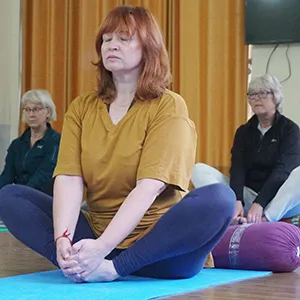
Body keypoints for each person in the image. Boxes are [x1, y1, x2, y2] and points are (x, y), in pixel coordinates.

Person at [0, 6, 235, 283]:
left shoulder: (169, 105)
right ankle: (79, 262)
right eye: (107, 39)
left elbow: (149, 187)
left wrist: (104, 251)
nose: (111, 45)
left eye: (124, 39)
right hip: (95, 236)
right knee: (11, 196)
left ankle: (113, 268)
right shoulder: (82, 107)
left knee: (220, 199)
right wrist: (62, 238)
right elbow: (69, 179)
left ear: (148, 47)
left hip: (159, 251)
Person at [192, 74, 300, 225]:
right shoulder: (244, 131)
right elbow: (237, 167)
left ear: (275, 97)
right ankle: (233, 214)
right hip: (248, 196)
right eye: (252, 94)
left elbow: (283, 171)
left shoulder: (291, 130)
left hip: (280, 200)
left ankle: (266, 220)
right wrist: (237, 200)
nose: (256, 98)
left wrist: (260, 203)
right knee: (198, 170)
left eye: (262, 93)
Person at [0, 89, 60, 196]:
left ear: (48, 112)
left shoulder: (56, 141)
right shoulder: (17, 144)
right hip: (18, 196)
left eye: (36, 109)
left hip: (43, 198)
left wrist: (19, 194)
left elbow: (44, 176)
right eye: (27, 109)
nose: (31, 114)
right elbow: (6, 176)